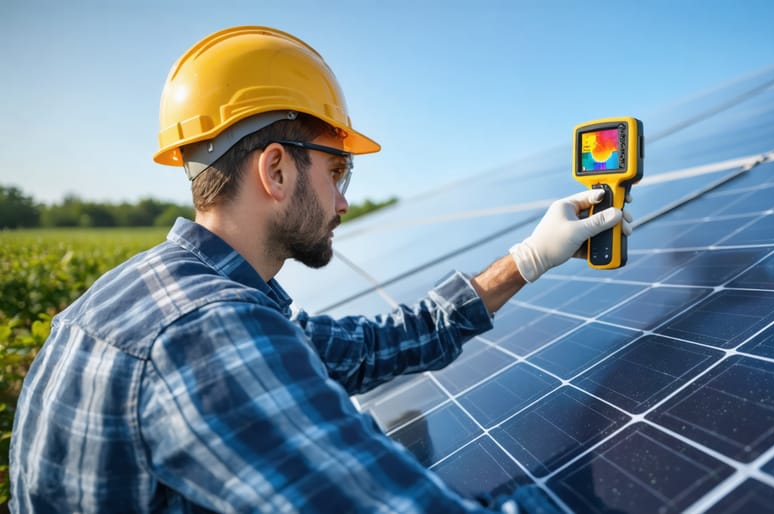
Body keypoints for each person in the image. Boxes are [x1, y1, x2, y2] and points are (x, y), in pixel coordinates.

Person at [9, 26, 631, 513]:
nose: (344, 201)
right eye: (337, 171)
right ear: (275, 170)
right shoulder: (208, 335)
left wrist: (527, 259)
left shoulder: (153, 291)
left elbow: (367, 348)